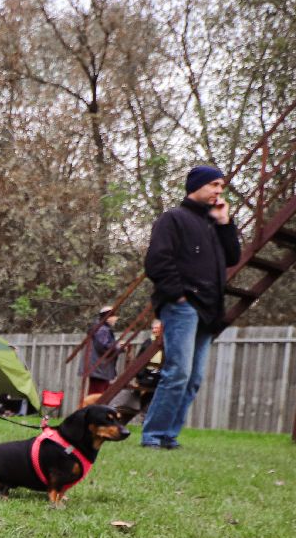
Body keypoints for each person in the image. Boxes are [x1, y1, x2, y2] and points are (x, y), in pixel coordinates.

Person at [139, 165, 241, 449]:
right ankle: (153, 436)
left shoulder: (213, 223)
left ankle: (169, 436)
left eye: (222, 186)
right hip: (182, 307)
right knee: (177, 372)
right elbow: (156, 262)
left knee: (193, 378)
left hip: (210, 311)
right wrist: (178, 296)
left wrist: (224, 222)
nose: (219, 191)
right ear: (195, 186)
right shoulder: (173, 218)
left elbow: (233, 257)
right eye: (214, 185)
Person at [85, 305, 119, 398]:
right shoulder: (102, 329)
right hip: (99, 368)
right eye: (114, 316)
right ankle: (93, 411)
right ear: (108, 317)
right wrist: (118, 346)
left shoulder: (102, 328)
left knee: (99, 393)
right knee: (97, 395)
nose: (116, 319)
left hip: (100, 368)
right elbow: (103, 347)